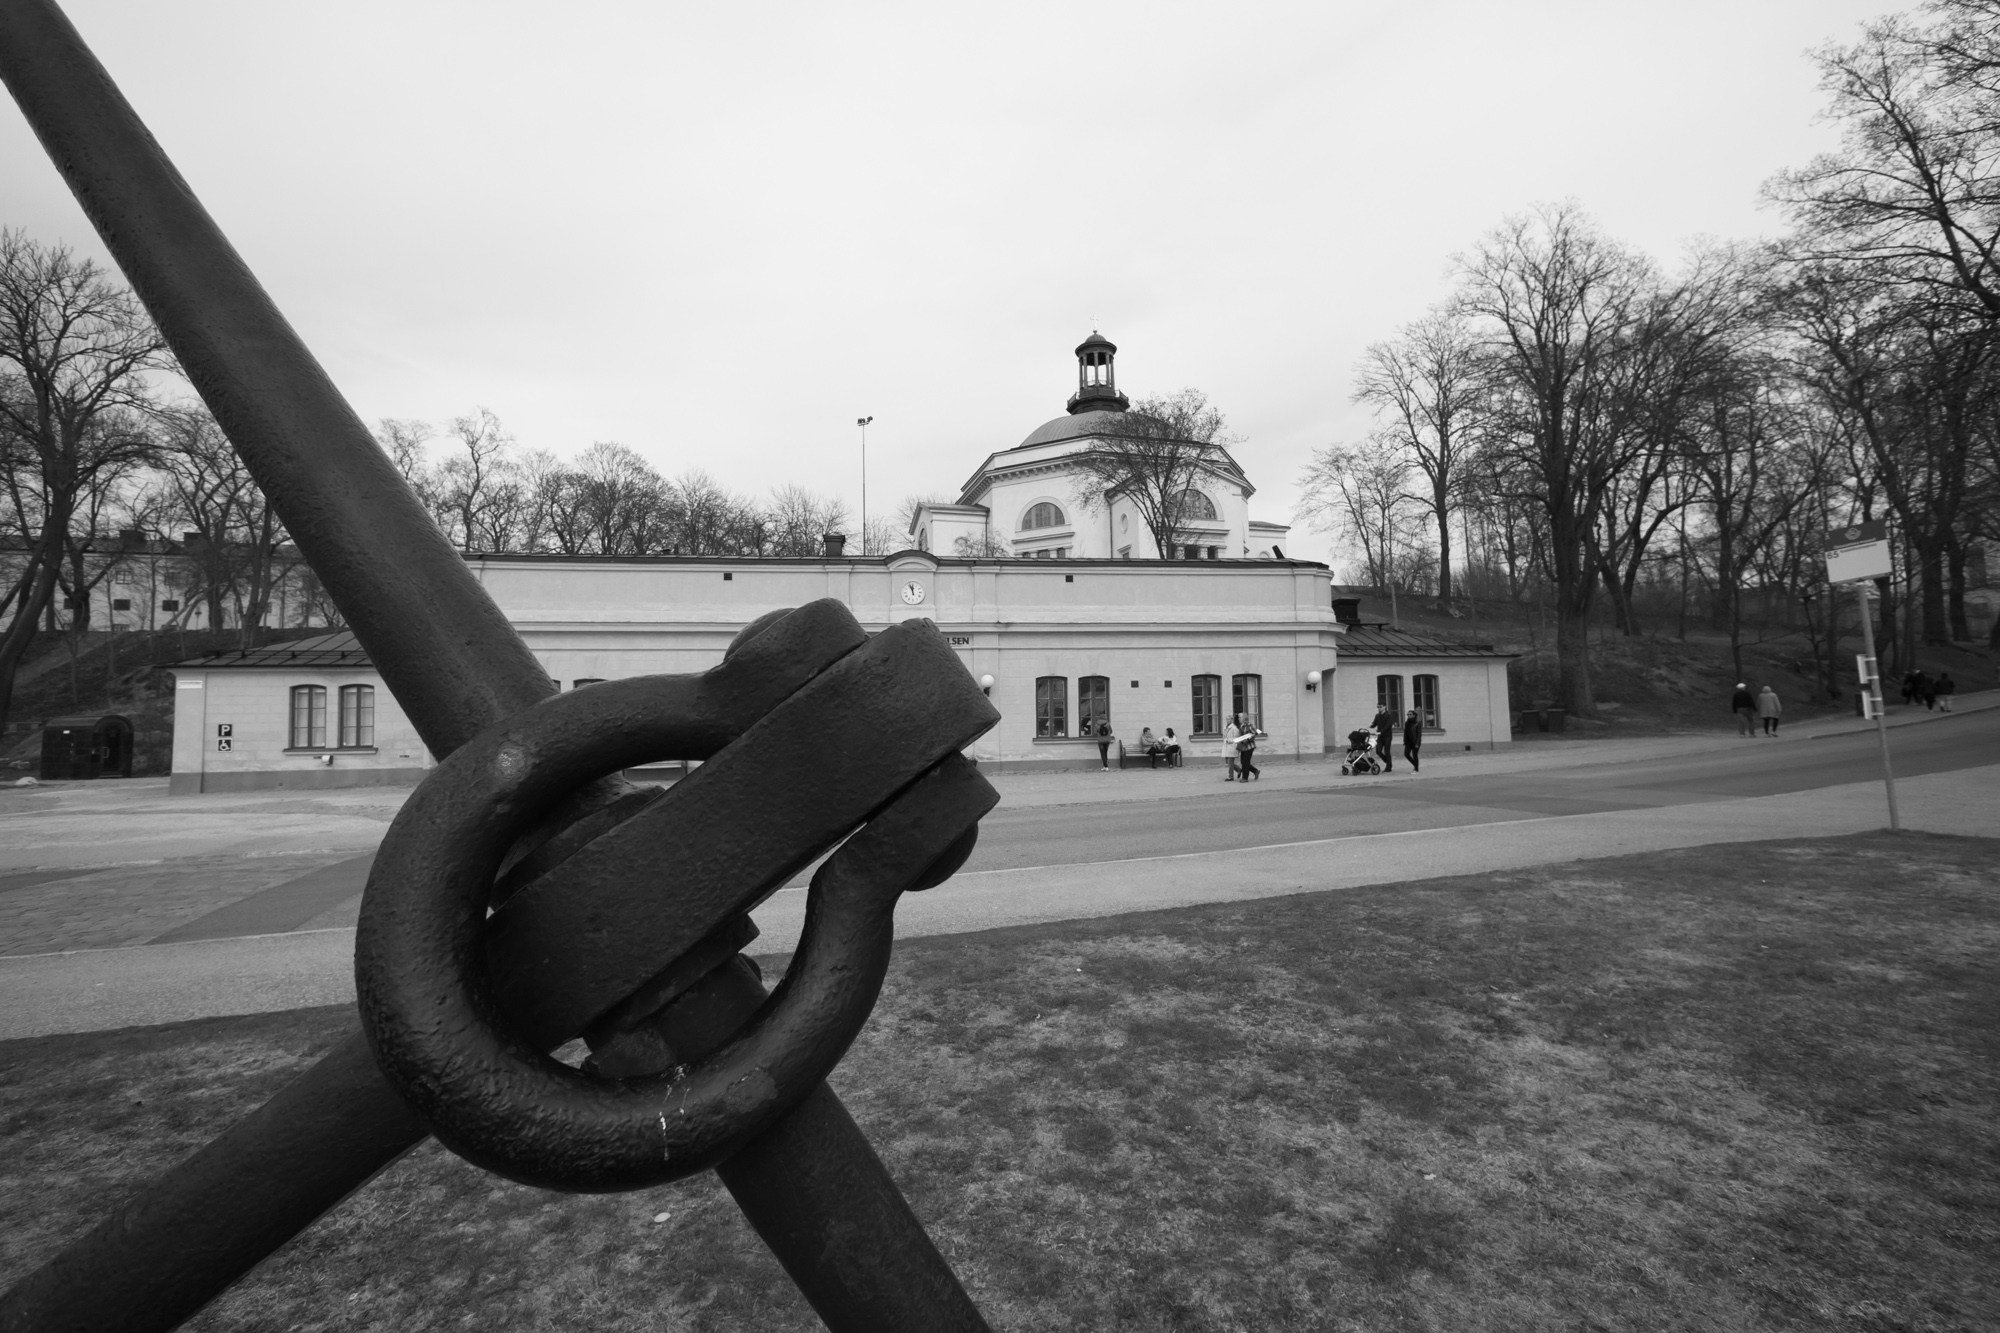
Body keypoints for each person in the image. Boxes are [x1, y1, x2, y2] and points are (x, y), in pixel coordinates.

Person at [1235, 712, 1262, 781]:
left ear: (1244, 718)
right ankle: (1255, 771)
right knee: (1243, 762)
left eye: (1240, 717)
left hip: (1249, 747)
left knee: (1246, 762)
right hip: (1243, 747)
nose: (1238, 719)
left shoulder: (1249, 725)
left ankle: (1245, 778)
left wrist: (1248, 739)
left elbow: (1254, 734)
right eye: (1238, 717)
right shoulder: (1241, 726)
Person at [1371, 702, 1397, 771]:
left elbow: (1387, 726)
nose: (1379, 708)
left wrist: (1381, 732)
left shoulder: (1388, 716)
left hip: (1387, 736)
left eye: (1380, 706)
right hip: (1380, 737)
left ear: (1384, 707)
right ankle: (1387, 761)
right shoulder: (1377, 715)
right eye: (1378, 707)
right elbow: (1375, 724)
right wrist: (1371, 725)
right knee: (1378, 751)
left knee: (1387, 752)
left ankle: (1388, 767)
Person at [1222, 715, 1243, 781]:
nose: (1227, 720)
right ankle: (1239, 770)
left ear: (1232, 720)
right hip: (1226, 746)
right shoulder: (1225, 727)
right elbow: (1224, 736)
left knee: (1230, 762)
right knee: (1228, 762)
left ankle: (1230, 776)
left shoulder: (1234, 728)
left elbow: (1237, 738)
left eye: (1228, 719)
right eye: (1226, 719)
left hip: (1232, 746)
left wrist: (1231, 741)